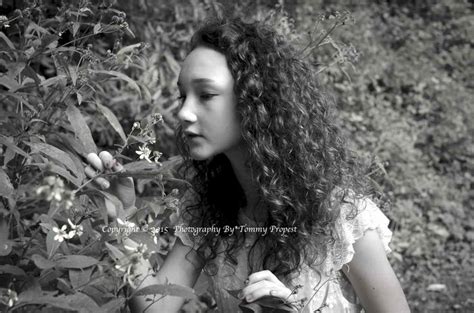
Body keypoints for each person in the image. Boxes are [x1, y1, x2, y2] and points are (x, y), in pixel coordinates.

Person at [86, 15, 410, 313]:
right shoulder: (209, 209)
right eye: (182, 96)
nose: (184, 112)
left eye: (206, 94)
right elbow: (156, 307)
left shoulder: (340, 216)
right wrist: (121, 219)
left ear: (255, 101)